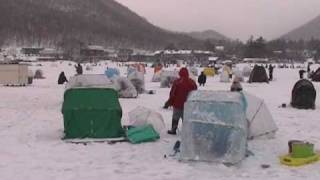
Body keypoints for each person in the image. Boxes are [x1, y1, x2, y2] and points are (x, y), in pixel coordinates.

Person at [166, 68, 197, 135]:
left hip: (177, 104)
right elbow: (195, 93)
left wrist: (169, 102)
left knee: (175, 117)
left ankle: (173, 130)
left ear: (180, 73)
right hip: (188, 105)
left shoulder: (177, 82)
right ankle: (186, 131)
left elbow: (173, 94)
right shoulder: (192, 82)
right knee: (185, 118)